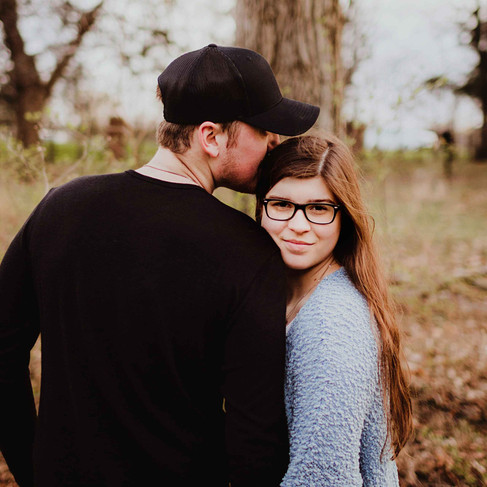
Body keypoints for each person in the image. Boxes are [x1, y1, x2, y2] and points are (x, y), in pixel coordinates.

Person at [0, 44, 320, 487]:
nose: (274, 143)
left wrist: (31, 467)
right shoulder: (248, 252)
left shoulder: (60, 207)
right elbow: (256, 436)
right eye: (264, 130)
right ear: (211, 137)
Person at [255, 135, 413, 485]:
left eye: (319, 208)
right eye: (281, 204)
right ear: (260, 206)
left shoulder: (332, 325)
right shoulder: (287, 295)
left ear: (344, 218)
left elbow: (323, 476)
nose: (298, 225)